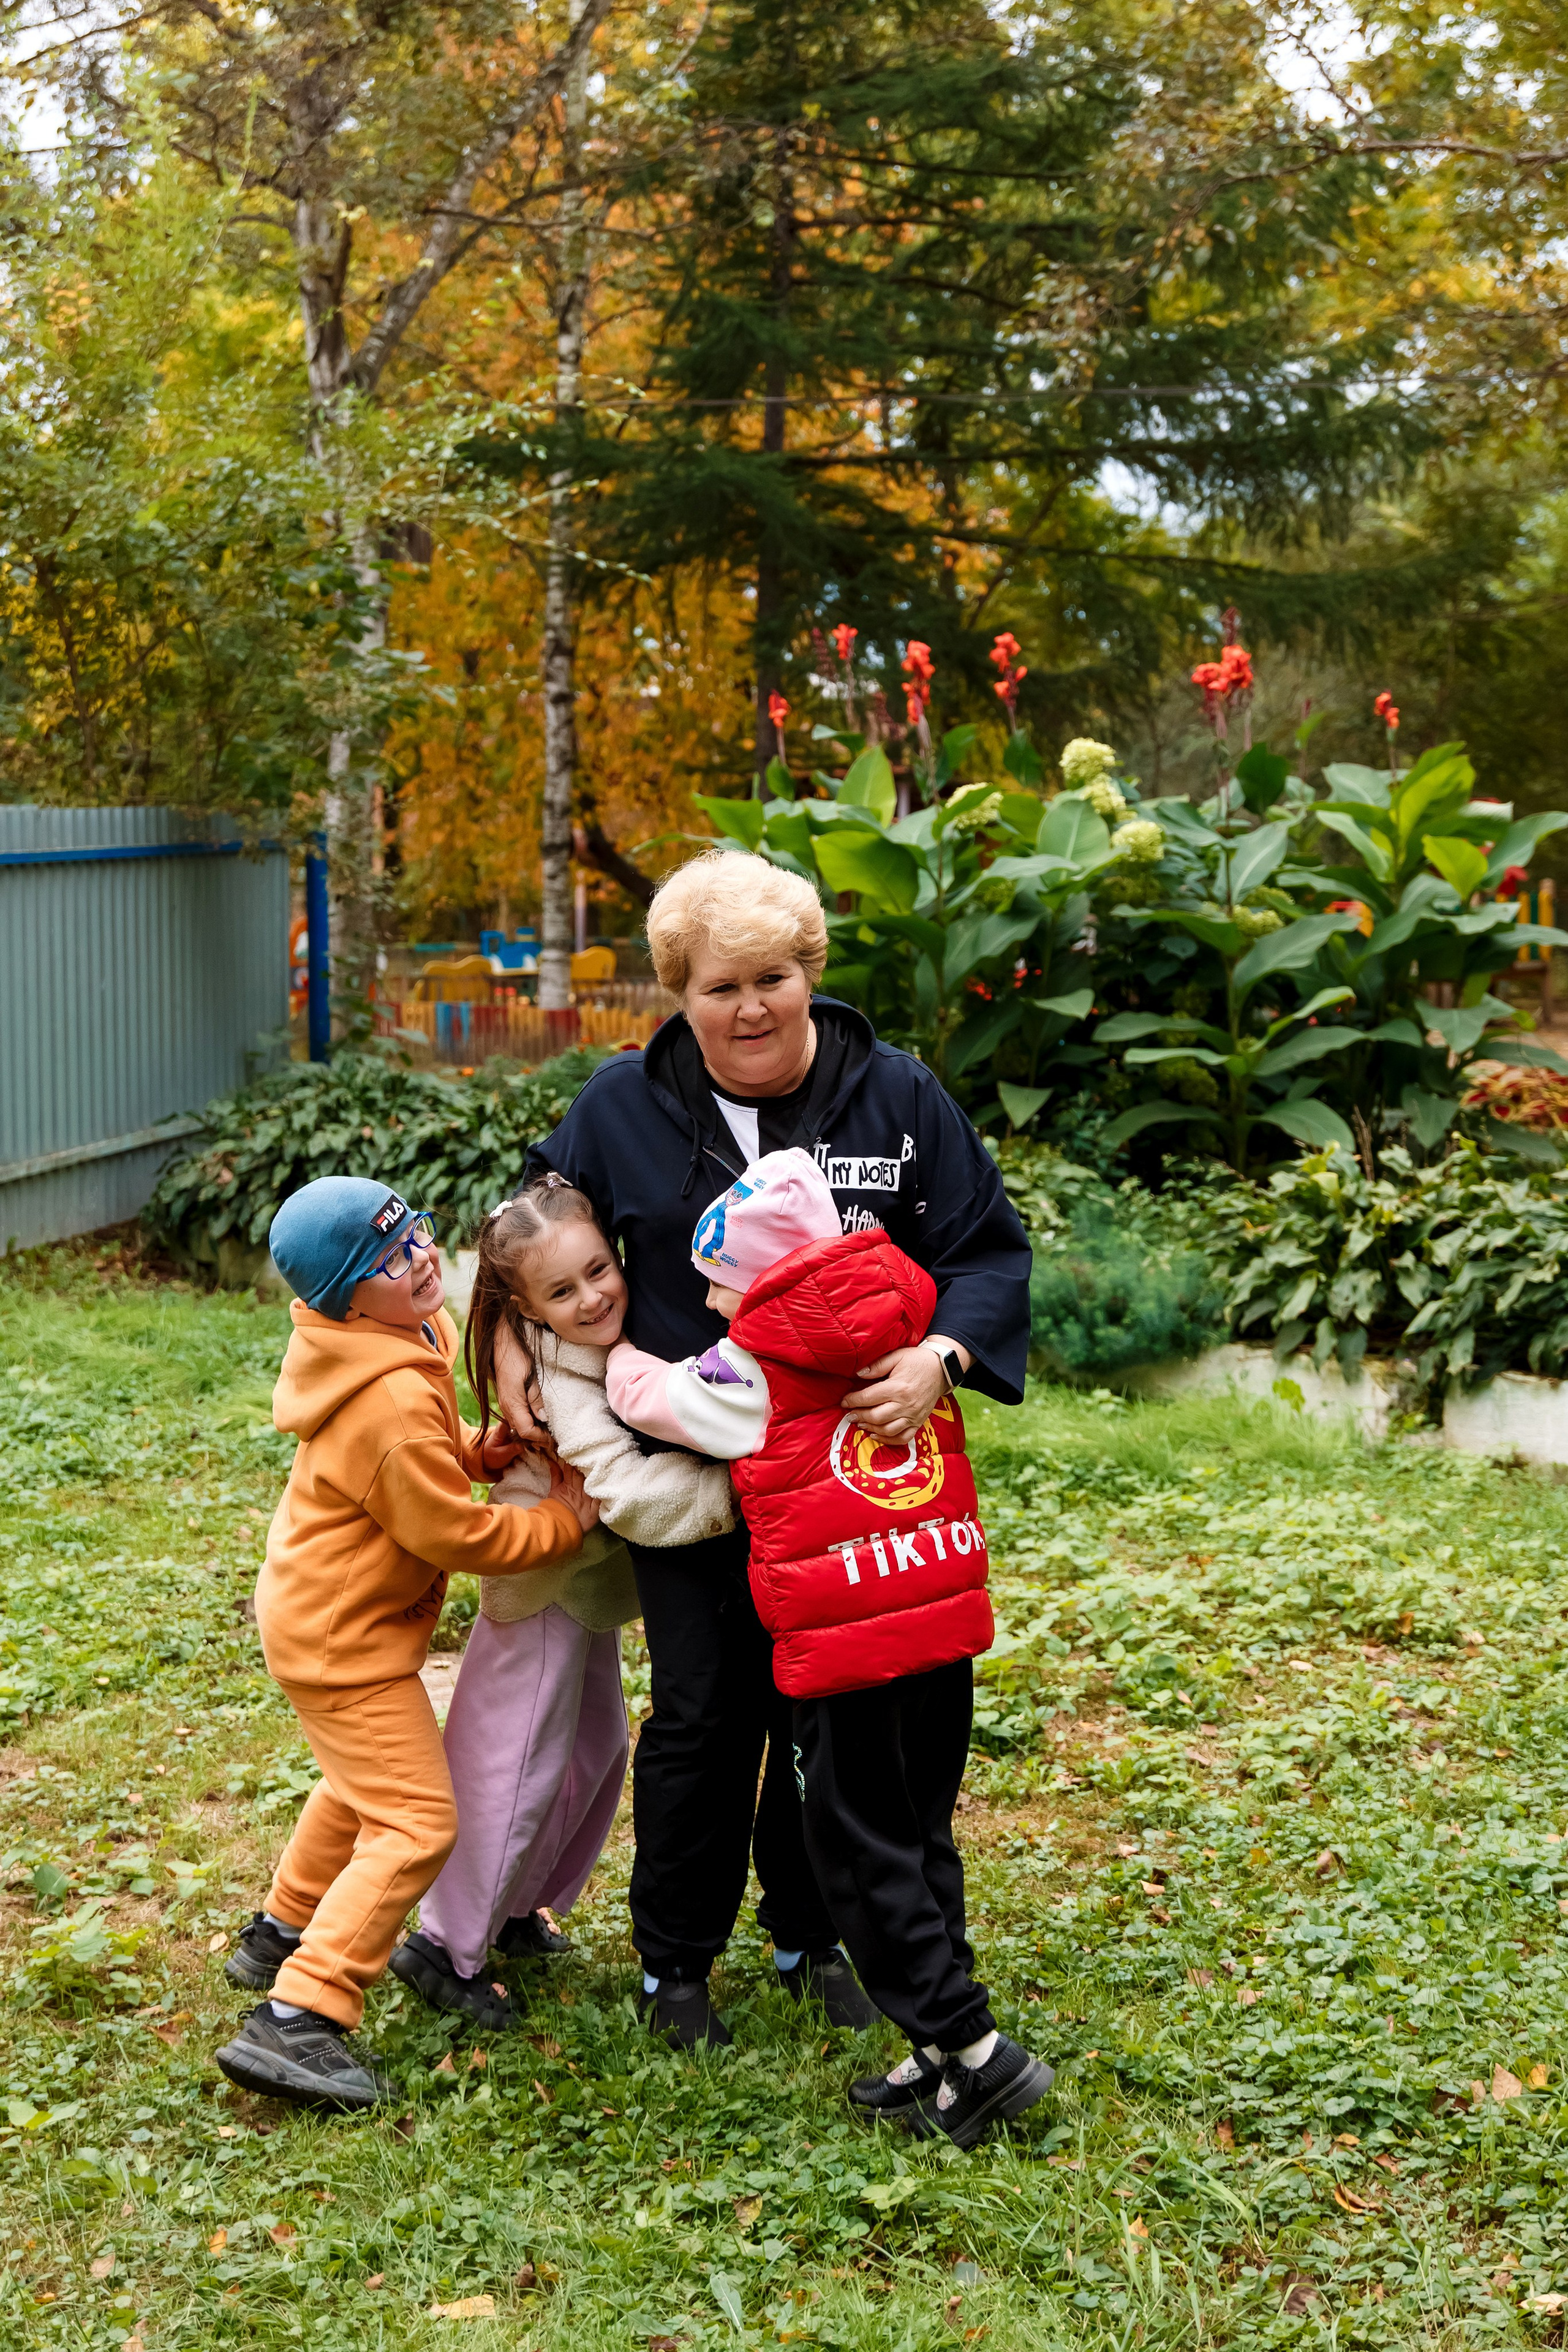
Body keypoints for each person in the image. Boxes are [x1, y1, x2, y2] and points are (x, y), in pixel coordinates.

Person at [525, 850, 1032, 2048]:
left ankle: (813, 1937)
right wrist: (523, 1373)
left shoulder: (896, 1098)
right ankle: (675, 1962)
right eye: (716, 988)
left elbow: (986, 1254)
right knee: (708, 1712)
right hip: (694, 1475)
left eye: (770, 978)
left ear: (809, 973)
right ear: (677, 995)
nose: (748, 1008)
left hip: (858, 1478)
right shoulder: (616, 1109)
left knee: (849, 1721)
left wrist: (938, 1362)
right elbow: (531, 1247)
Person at [608, 1147, 1055, 2147]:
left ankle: (977, 2052)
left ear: (761, 1277)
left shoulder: (753, 1367)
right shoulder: (910, 1336)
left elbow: (657, 1401)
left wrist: (617, 1362)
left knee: (857, 1853)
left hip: (846, 1654)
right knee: (921, 1832)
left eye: (718, 1284)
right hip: (938, 1634)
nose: (713, 1305)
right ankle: (940, 2060)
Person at [214, 1177, 597, 2112]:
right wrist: (559, 1524)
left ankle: (281, 1927)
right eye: (388, 1258)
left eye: (415, 1231)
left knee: (360, 1787)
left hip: (328, 1619)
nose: (420, 1257)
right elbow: (451, 1535)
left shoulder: (389, 1333)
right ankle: (302, 2012)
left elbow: (421, 1449)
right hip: (343, 1642)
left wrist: (475, 1449)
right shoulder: (380, 1397)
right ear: (347, 1294)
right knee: (416, 1821)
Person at [390, 1171, 735, 2029]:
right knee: (512, 1755)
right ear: (525, 1310)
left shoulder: (597, 1339)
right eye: (560, 1290)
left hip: (585, 1580)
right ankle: (444, 1943)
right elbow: (625, 1496)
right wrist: (749, 1492)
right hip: (544, 1574)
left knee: (592, 1747)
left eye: (597, 1271)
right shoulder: (555, 1380)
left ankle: (515, 1907)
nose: (590, 1298)